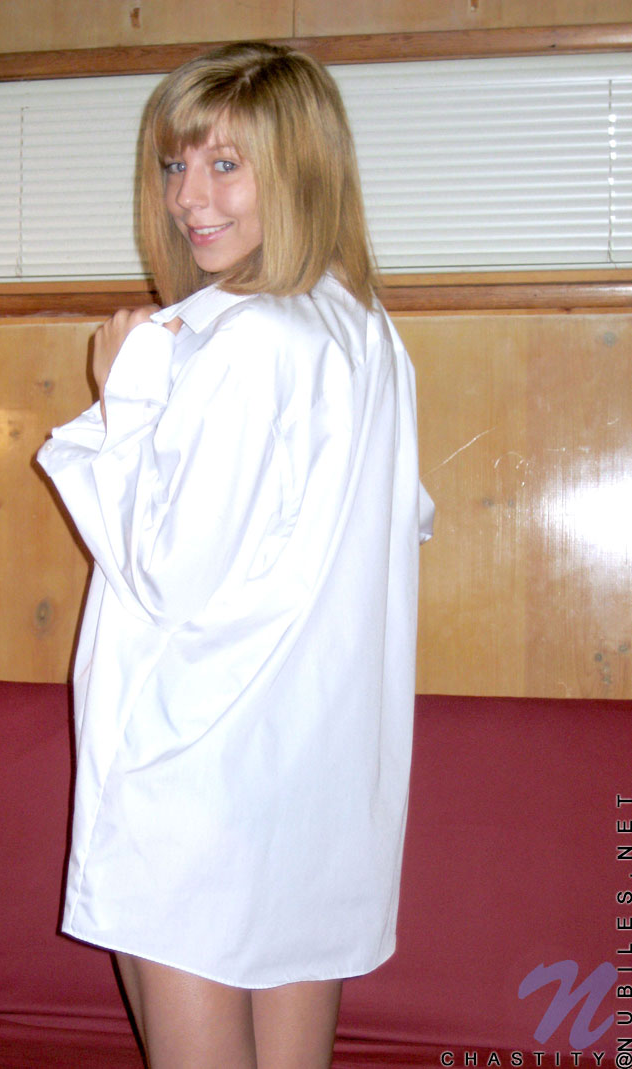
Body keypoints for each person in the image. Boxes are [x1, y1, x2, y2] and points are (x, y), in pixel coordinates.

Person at [37, 40, 433, 1069]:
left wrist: (123, 392)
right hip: (307, 757)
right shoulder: (362, 331)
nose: (188, 199)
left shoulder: (244, 340)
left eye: (225, 164)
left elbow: (168, 571)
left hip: (197, 760)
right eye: (176, 165)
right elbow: (397, 518)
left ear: (299, 167)